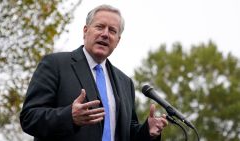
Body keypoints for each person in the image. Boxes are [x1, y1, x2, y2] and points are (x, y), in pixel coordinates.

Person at [20, 4, 168, 141]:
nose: (105, 34)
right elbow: (29, 117)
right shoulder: (55, 64)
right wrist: (69, 117)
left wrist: (147, 131)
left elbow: (126, 133)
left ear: (117, 40)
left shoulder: (125, 82)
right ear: (85, 31)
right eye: (100, 27)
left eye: (112, 30)